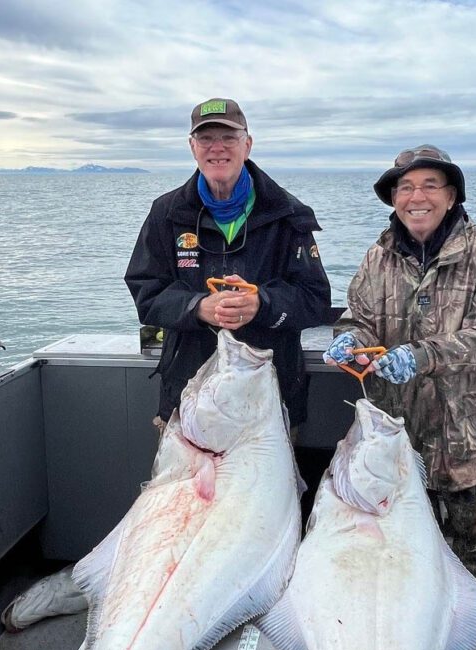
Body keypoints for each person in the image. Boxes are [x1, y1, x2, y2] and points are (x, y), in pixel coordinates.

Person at [324, 144, 476, 650]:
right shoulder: (377, 256)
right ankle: (410, 640)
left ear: (452, 194)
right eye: (406, 188)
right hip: (394, 437)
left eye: (430, 185)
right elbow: (357, 316)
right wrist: (351, 341)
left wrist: (424, 355)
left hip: (468, 434)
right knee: (399, 543)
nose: (417, 197)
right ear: (393, 198)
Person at [124, 97, 331, 433]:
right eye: (206, 138)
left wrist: (262, 304)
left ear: (247, 145)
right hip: (187, 402)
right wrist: (197, 307)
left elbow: (315, 300)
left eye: (228, 137)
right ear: (192, 147)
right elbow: (145, 293)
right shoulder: (165, 214)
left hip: (269, 407)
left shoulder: (290, 215)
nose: (216, 148)